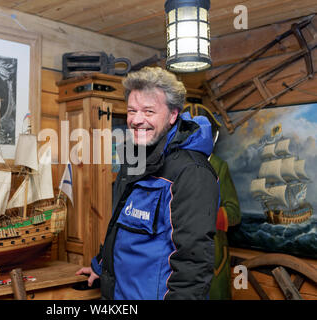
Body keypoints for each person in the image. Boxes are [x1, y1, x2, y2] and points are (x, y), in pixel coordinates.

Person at [76, 67, 220, 299]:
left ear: (173, 115)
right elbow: (121, 228)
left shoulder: (192, 172)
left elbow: (193, 264)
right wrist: (100, 265)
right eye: (132, 110)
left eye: (149, 111)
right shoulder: (136, 160)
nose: (137, 120)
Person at [182, 103, 241, 300]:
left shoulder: (218, 166)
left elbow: (233, 213)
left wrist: (202, 215)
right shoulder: (170, 164)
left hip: (212, 255)